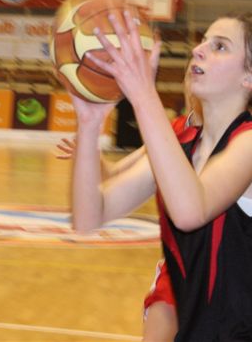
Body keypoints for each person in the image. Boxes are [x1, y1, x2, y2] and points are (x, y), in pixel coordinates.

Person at [70, 11, 252, 341]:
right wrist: (88, 124)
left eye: (220, 46)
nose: (198, 50)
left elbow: (191, 211)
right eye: (203, 41)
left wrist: (144, 95)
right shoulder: (181, 146)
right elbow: (89, 216)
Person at [57, 63, 202, 342]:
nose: (191, 78)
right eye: (188, 72)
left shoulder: (245, 140)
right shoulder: (171, 131)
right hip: (177, 270)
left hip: (223, 277)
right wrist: (88, 151)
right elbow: (114, 174)